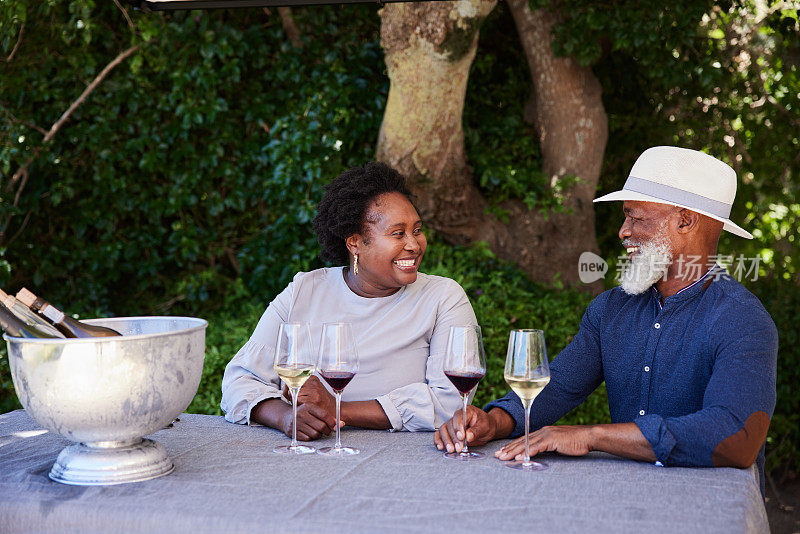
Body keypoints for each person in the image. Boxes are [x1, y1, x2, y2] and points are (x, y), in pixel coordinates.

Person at [434, 146, 778, 495]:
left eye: (635, 217)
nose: (623, 232)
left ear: (685, 220)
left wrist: (591, 435)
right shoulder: (610, 309)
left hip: (708, 508)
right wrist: (494, 421)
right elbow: (558, 385)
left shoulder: (742, 319)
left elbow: (736, 436)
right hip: (624, 497)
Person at [221, 161, 477, 440]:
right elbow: (239, 381)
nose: (414, 245)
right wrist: (286, 418)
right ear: (354, 242)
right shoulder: (304, 291)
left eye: (417, 230)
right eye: (397, 233)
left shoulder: (444, 298)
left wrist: (337, 409)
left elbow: (451, 403)